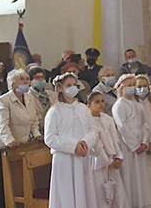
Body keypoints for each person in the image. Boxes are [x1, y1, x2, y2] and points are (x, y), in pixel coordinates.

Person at [112, 74, 151, 208]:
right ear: (121, 88)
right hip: (130, 147)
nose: (132, 88)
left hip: (141, 144)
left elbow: (145, 125)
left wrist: (144, 142)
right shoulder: (119, 105)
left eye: (132, 85)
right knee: (133, 177)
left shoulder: (136, 104)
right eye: (129, 85)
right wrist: (135, 145)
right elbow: (122, 127)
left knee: (144, 177)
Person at [45, 72, 99, 207]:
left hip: (82, 157)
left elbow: (94, 130)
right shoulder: (54, 111)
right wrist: (74, 145)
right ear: (60, 88)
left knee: (84, 192)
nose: (73, 88)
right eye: (69, 85)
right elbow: (50, 138)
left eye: (75, 85)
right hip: (64, 160)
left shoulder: (83, 108)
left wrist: (85, 143)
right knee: (66, 194)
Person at [87, 91, 131, 208]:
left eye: (102, 101)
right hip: (99, 161)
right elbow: (96, 145)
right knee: (101, 193)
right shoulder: (88, 121)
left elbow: (115, 139)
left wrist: (118, 156)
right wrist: (107, 161)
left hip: (112, 159)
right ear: (89, 105)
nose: (101, 104)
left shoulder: (108, 118)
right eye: (97, 102)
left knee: (117, 193)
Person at [0, 69, 42, 148]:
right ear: (13, 83)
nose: (26, 82)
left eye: (27, 79)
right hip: (8, 146)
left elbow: (34, 121)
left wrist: (37, 135)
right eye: (22, 79)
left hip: (26, 143)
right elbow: (3, 124)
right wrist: (10, 141)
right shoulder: (4, 100)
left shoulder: (30, 97)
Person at [27, 65, 56, 134]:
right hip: (40, 131)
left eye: (42, 77)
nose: (40, 79)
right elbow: (35, 116)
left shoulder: (52, 94)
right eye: (37, 78)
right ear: (31, 81)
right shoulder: (28, 97)